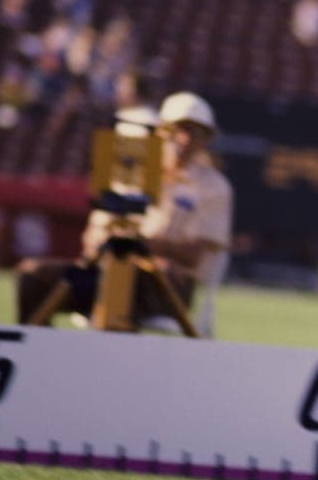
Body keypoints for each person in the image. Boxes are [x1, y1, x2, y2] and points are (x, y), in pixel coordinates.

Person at [15, 91, 233, 333]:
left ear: (206, 139)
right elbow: (94, 233)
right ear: (160, 131)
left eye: (195, 132)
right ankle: (38, 350)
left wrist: (144, 246)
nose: (184, 139)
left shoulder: (213, 186)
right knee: (34, 276)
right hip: (105, 271)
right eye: (178, 129)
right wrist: (107, 244)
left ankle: (115, 361)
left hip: (164, 287)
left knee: (123, 290)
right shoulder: (132, 170)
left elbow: (195, 254)